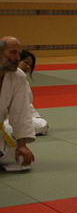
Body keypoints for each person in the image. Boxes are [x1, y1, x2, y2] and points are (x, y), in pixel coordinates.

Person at [0, 37, 36, 172]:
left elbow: (21, 112)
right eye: (13, 52)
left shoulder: (18, 76)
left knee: (21, 160)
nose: (17, 58)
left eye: (19, 54)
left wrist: (22, 145)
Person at [3, 50, 49, 137]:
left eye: (30, 65)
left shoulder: (23, 81)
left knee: (42, 124)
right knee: (7, 127)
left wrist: (34, 118)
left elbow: (27, 105)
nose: (28, 67)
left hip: (17, 119)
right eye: (26, 63)